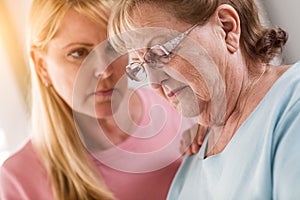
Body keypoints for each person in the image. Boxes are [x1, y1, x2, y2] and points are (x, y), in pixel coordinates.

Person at [0, 0, 195, 200]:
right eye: (78, 53)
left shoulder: (179, 104)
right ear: (41, 65)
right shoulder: (19, 180)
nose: (105, 69)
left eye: (113, 47)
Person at [109, 0, 300, 199]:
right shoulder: (196, 154)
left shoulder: (292, 105)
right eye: (140, 67)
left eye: (160, 54)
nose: (154, 82)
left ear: (226, 28)